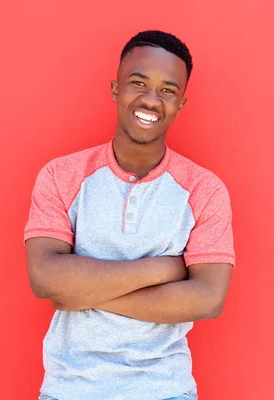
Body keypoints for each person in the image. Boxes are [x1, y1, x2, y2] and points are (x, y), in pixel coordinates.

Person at [24, 30, 235, 400]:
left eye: (168, 90)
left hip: (165, 390)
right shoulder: (62, 176)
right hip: (69, 389)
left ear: (181, 103)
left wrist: (84, 294)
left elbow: (207, 299)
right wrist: (166, 269)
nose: (151, 100)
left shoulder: (204, 190)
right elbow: (45, 277)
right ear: (115, 89)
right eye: (138, 83)